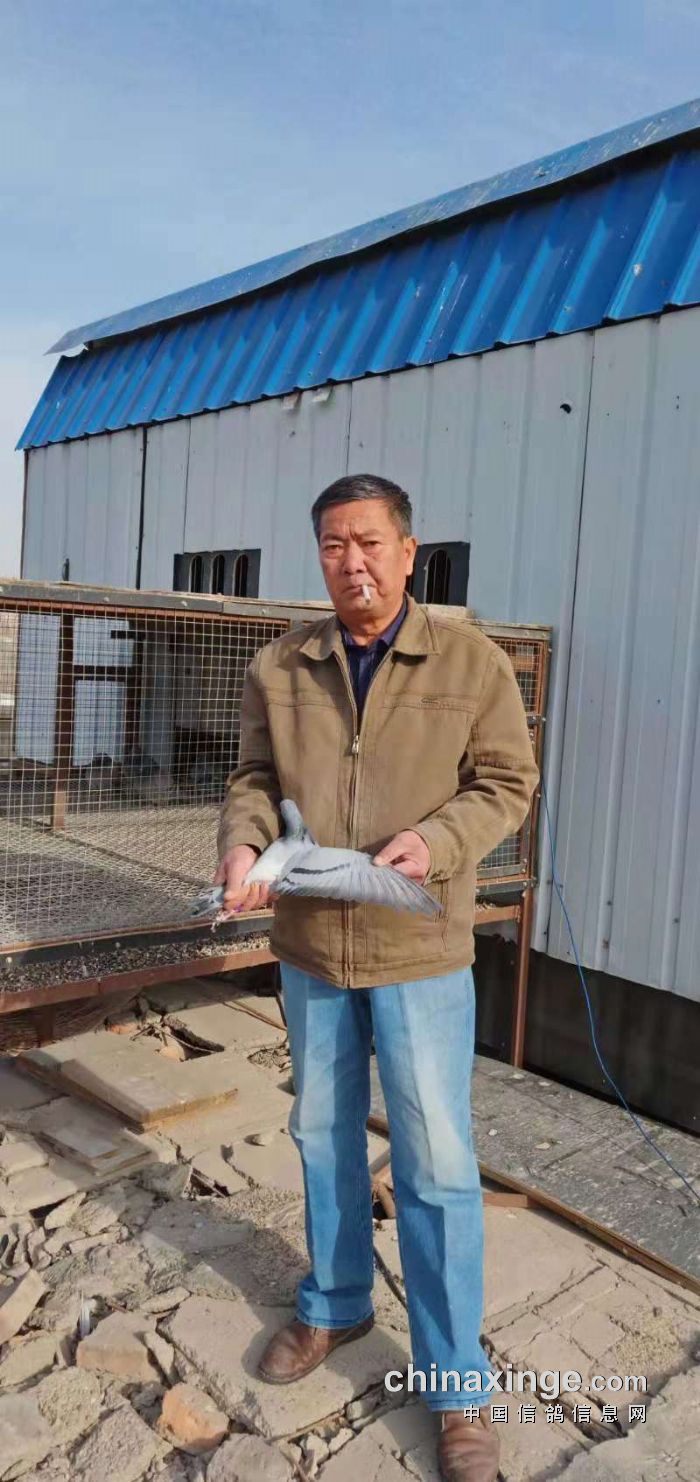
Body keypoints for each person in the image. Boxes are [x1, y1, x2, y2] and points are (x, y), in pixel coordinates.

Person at [214, 473, 540, 1482]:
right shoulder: (282, 665)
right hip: (313, 945)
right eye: (331, 545)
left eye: (367, 543)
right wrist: (244, 844)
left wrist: (435, 842)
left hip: (417, 951)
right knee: (321, 1132)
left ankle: (455, 1386)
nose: (350, 563)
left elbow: (507, 782)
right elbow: (253, 779)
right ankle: (337, 1303)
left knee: (435, 1162)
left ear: (407, 551)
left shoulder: (472, 661)